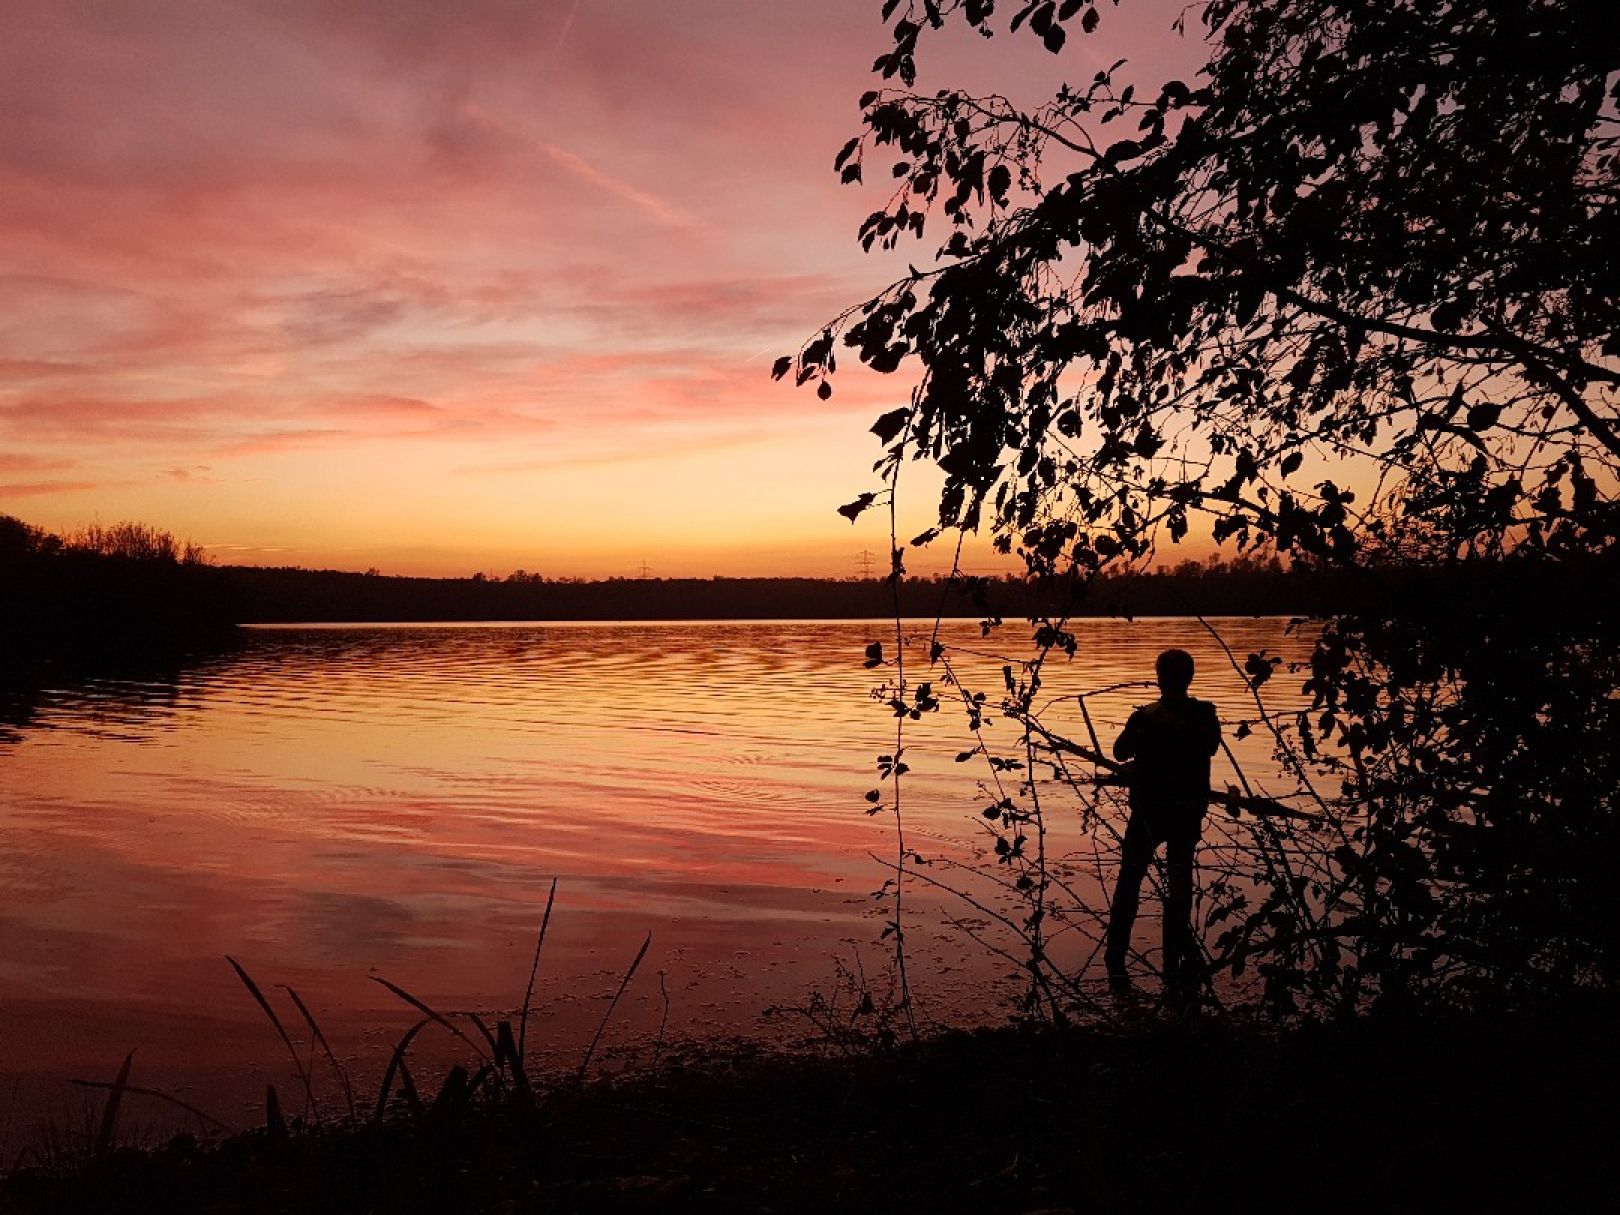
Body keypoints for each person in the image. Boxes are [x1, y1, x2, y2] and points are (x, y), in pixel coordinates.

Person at [1105, 648, 1221, 996]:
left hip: (1150, 812)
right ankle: (1173, 960)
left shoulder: (1145, 716)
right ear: (1190, 678)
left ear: (1159, 677)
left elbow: (1120, 752)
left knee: (1130, 884)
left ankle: (1117, 959)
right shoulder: (1204, 713)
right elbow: (1210, 746)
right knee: (1179, 884)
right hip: (1185, 812)